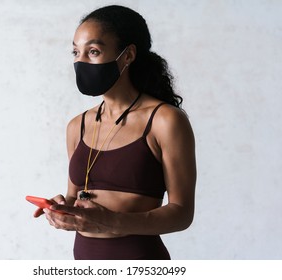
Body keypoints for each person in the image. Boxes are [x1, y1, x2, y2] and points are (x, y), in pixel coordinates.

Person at [33, 5, 196, 260]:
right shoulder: (78, 125)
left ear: (128, 55)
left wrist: (113, 222)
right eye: (76, 52)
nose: (81, 61)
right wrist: (62, 210)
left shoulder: (164, 121)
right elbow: (78, 199)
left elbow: (182, 213)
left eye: (94, 51)